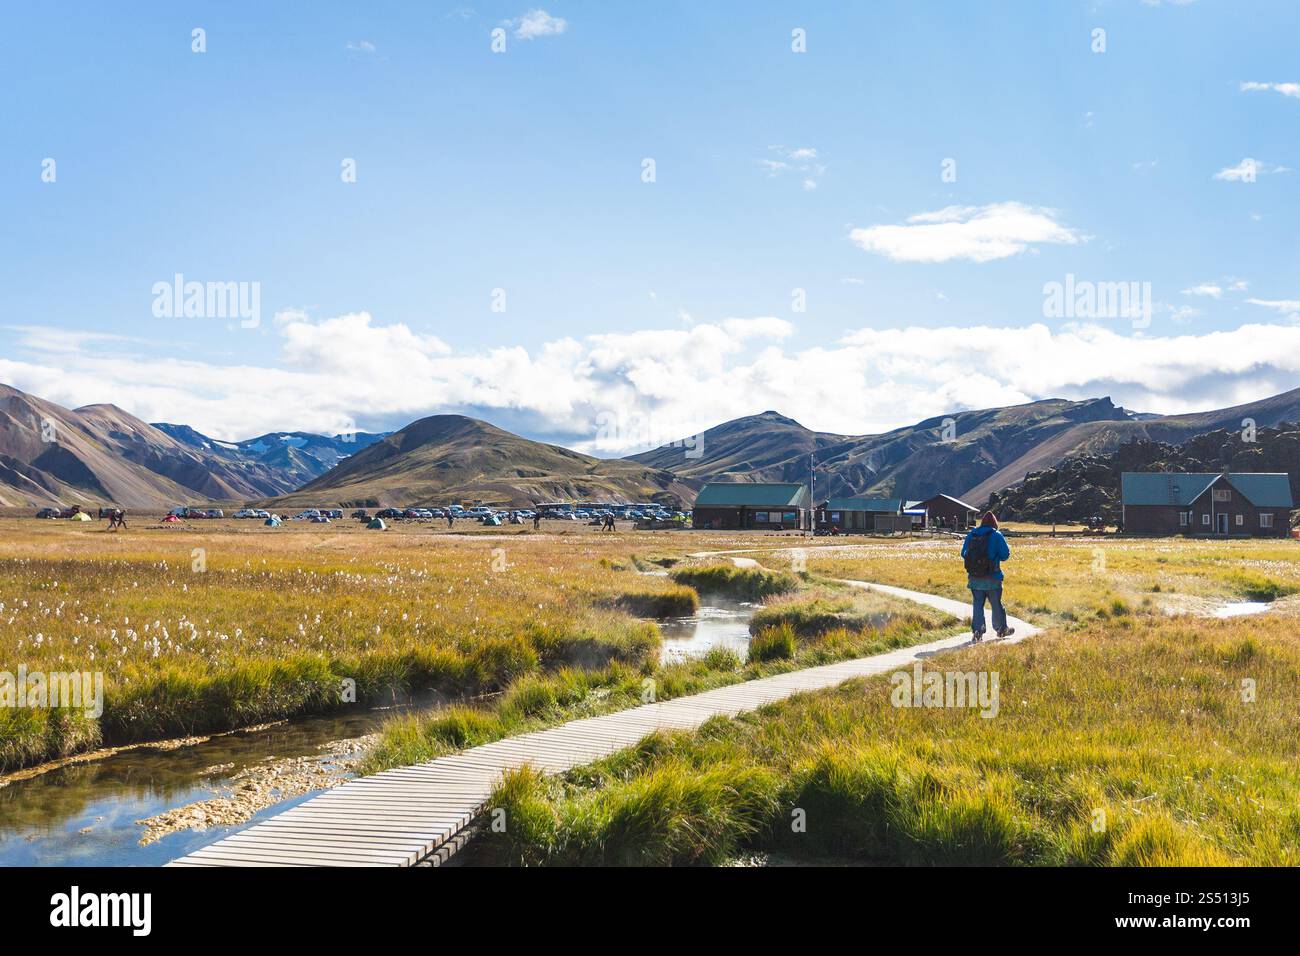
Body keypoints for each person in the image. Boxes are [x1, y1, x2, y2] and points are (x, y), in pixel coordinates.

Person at [961, 511, 1014, 642]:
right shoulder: (996, 535)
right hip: (993, 577)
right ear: (994, 523)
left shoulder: (972, 534)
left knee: (977, 605)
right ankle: (1001, 629)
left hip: (974, 578)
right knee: (996, 604)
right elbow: (1005, 555)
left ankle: (978, 631)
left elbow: (963, 553)